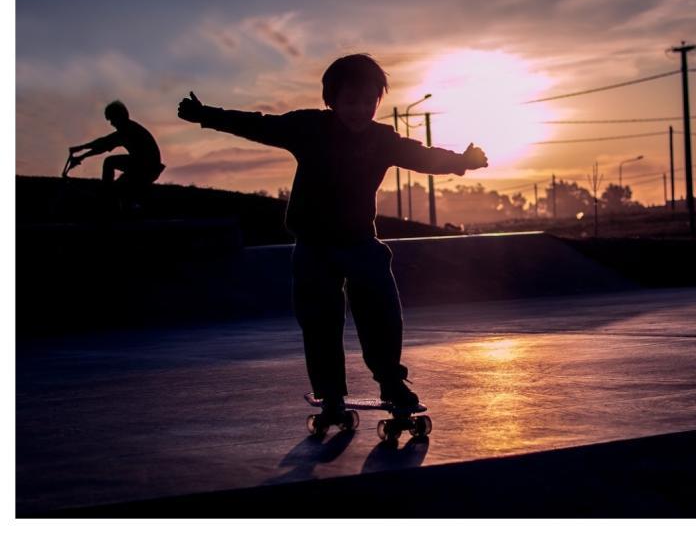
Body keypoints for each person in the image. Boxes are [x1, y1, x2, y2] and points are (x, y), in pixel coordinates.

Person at [177, 53, 488, 420]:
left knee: (382, 311)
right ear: (332, 100)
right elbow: (260, 125)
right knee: (320, 320)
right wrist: (206, 116)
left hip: (360, 242)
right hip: (314, 246)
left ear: (378, 101)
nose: (359, 111)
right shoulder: (309, 128)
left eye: (368, 102)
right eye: (350, 101)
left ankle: (391, 381)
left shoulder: (382, 139)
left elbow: (422, 157)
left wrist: (461, 162)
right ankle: (330, 392)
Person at [68, 100, 165, 211]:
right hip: (144, 168)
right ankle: (118, 205)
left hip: (145, 168)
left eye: (112, 119)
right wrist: (82, 153)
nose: (111, 123)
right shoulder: (128, 128)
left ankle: (107, 198)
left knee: (110, 163)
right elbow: (104, 143)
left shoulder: (128, 130)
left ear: (119, 117)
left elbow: (104, 143)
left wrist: (81, 152)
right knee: (118, 190)